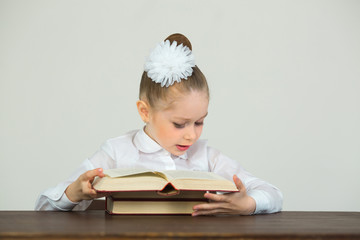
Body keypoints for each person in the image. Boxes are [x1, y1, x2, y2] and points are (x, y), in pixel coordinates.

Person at [35, 33, 283, 216]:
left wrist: (248, 204)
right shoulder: (115, 152)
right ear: (144, 111)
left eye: (199, 122)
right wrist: (74, 194)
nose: (191, 136)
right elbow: (43, 207)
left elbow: (273, 194)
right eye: (179, 124)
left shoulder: (207, 157)